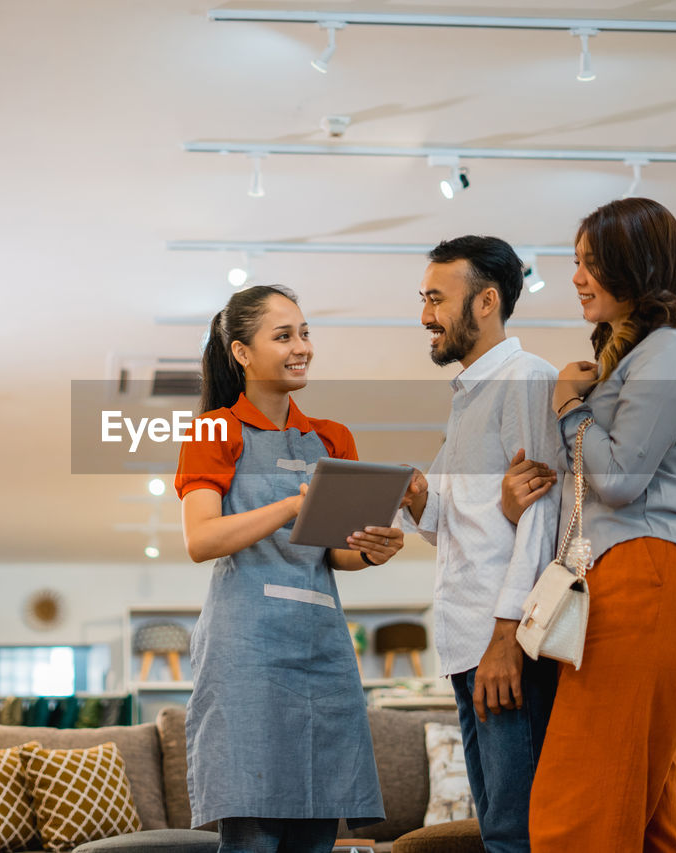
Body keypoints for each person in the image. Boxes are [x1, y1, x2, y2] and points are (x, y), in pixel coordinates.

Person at [503, 197, 676, 852]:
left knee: (574, 812)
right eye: (575, 262)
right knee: (647, 821)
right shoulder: (637, 356)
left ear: (637, 266)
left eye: (592, 263)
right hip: (634, 580)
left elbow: (620, 480)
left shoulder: (669, 351)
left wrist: (571, 407)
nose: (577, 276)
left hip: (648, 577)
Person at [175, 284, 408, 853]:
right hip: (247, 652)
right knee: (254, 833)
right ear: (242, 353)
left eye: (305, 333)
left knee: (316, 830)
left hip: (322, 651)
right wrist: (289, 504)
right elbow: (201, 539)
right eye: (283, 336)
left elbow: (336, 551)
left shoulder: (333, 438)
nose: (301, 346)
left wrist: (373, 548)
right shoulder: (214, 431)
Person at [397, 235, 561, 853]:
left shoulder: (527, 379)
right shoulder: (469, 396)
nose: (425, 317)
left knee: (518, 835)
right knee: (498, 830)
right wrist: (417, 496)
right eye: (424, 299)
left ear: (486, 300)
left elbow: (540, 521)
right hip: (468, 647)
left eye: (436, 299)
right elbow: (448, 522)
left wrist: (504, 641)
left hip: (504, 644)